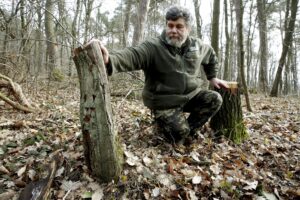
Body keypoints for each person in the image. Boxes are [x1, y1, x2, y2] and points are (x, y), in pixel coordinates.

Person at [95, 6, 228, 144]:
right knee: (179, 134)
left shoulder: (197, 46)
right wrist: (110, 59)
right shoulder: (153, 47)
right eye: (170, 26)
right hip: (164, 101)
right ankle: (176, 129)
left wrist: (212, 77)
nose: (173, 30)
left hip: (189, 96)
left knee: (214, 99)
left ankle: (189, 130)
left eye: (179, 26)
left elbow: (211, 56)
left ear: (188, 29)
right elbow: (132, 55)